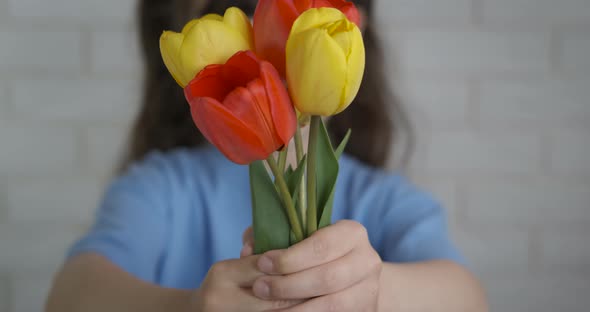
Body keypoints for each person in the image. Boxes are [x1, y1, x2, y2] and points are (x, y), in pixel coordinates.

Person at [45, 0, 488, 311]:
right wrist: (189, 308)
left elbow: (469, 300)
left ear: (355, 32)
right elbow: (69, 295)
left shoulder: (384, 200)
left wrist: (376, 292)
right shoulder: (162, 189)